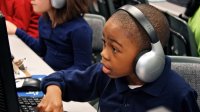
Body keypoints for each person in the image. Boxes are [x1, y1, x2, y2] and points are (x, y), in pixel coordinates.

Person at [37, 4, 200, 112]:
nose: (103, 53)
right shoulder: (105, 74)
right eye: (104, 43)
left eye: (114, 48)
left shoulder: (178, 95)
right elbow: (60, 79)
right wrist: (53, 91)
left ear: (147, 57)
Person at [6, 0, 93, 71]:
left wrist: (54, 78)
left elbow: (82, 69)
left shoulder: (80, 29)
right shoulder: (44, 20)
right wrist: (17, 31)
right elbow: (41, 50)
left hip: (64, 84)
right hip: (48, 74)